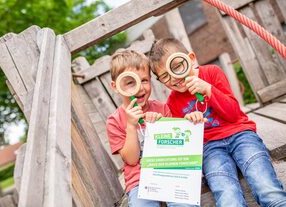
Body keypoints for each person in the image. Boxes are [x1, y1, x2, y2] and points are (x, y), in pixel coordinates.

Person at [148, 37, 286, 207]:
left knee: (266, 187)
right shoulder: (172, 102)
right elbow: (186, 142)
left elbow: (233, 113)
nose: (174, 78)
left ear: (190, 59)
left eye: (176, 67)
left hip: (240, 135)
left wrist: (208, 89)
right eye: (164, 76)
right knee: (228, 198)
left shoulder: (212, 73)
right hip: (210, 149)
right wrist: (189, 124)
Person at [106, 50, 199, 207]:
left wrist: (161, 125)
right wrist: (130, 125)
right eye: (130, 82)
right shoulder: (114, 121)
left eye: (144, 80)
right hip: (139, 181)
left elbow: (175, 149)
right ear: (116, 87)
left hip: (169, 172)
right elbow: (131, 159)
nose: (139, 88)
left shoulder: (162, 109)